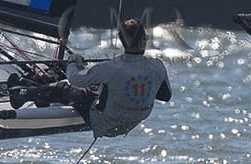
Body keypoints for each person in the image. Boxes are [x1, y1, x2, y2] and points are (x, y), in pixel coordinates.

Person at [9, 18, 172, 139]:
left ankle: (20, 95)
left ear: (123, 41)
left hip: (103, 122)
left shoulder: (110, 67)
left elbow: (75, 79)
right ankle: (42, 98)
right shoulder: (157, 66)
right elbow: (165, 96)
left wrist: (73, 62)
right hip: (129, 124)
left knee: (65, 87)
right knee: (93, 89)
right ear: (143, 40)